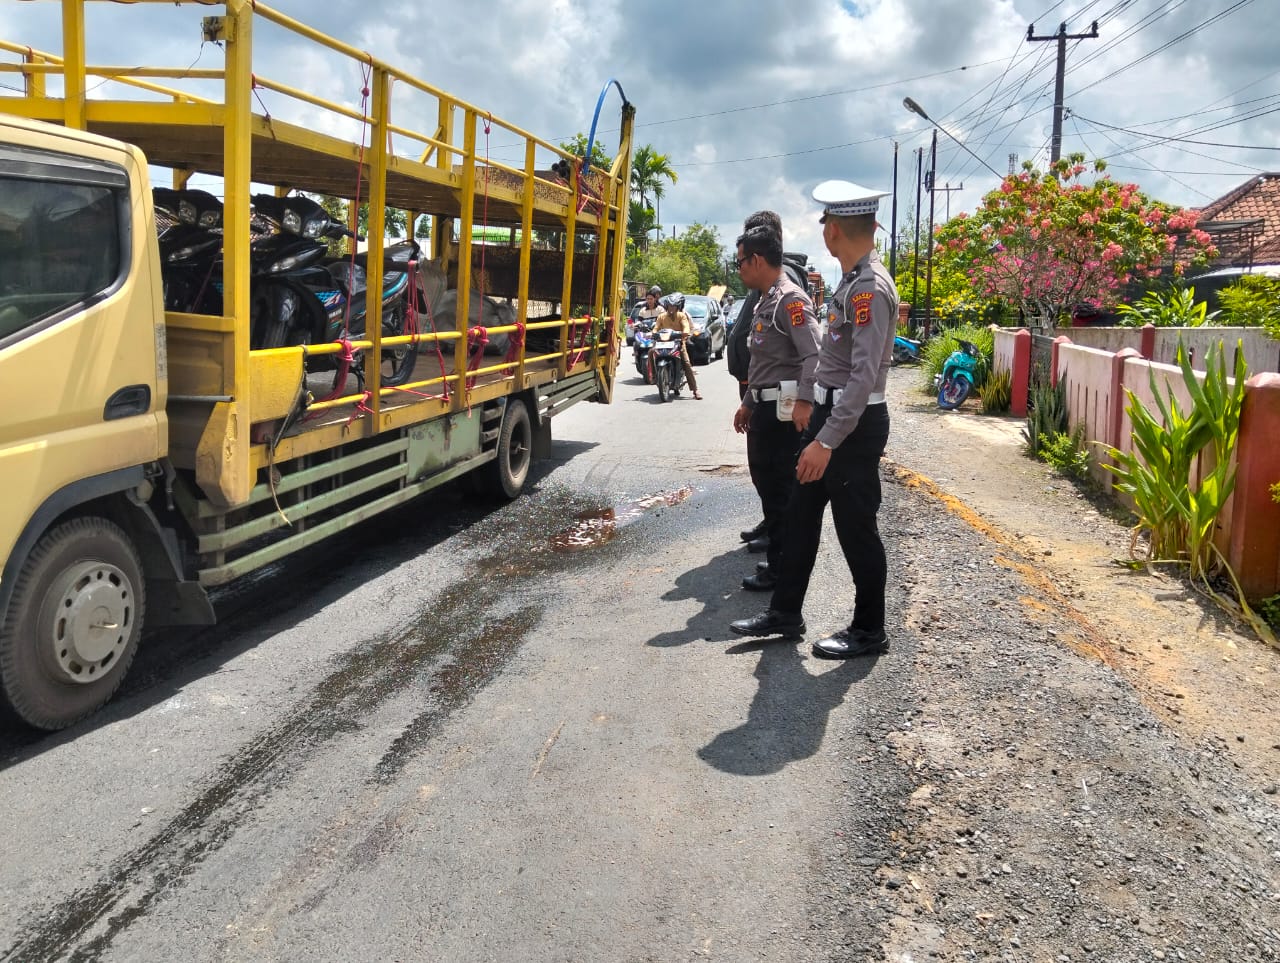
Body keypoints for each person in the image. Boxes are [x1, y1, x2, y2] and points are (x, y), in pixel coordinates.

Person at [730, 180, 898, 659]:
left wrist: (827, 440)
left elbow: (863, 377)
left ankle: (869, 630)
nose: (823, 230)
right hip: (831, 417)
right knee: (801, 519)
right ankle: (786, 613)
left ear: (835, 231)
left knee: (856, 530)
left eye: (826, 222)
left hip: (853, 426)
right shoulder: (850, 282)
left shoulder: (869, 288)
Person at [732, 225, 821, 591]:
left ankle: (784, 571)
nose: (738, 270)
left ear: (756, 260)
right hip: (765, 410)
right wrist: (748, 403)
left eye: (740, 263)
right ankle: (776, 564)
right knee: (768, 488)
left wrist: (805, 400)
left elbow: (814, 354)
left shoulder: (790, 300)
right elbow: (763, 366)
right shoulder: (765, 299)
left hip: (786, 415)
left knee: (784, 494)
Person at [657, 292, 702, 400]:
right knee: (651, 352)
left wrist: (685, 333)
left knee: (686, 363)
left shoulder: (683, 315)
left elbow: (687, 327)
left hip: (678, 343)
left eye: (674, 306)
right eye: (669, 306)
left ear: (679, 306)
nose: (671, 308)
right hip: (664, 342)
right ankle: (653, 376)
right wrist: (652, 333)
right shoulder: (662, 316)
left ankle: (695, 390)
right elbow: (656, 327)